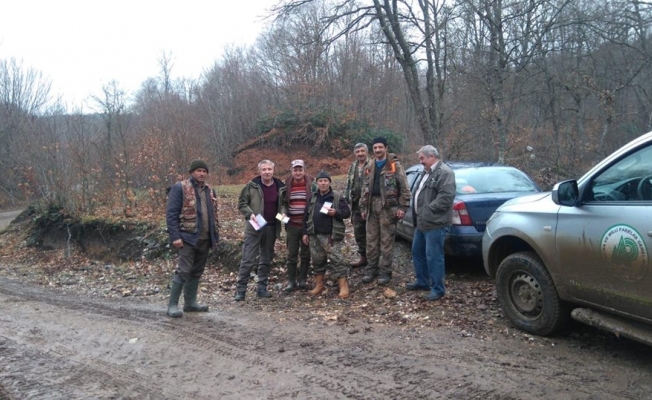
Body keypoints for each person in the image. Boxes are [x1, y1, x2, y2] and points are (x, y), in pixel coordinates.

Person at [165, 159, 220, 318]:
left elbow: (214, 216)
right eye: (198, 171)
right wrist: (175, 236)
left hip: (204, 238)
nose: (202, 174)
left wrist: (214, 237)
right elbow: (171, 214)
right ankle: (172, 305)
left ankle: (190, 303)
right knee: (183, 270)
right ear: (191, 172)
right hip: (187, 237)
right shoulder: (180, 188)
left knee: (197, 271)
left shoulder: (210, 191)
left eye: (204, 171)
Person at [406, 145, 455, 301]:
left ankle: (438, 289)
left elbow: (446, 198)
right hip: (422, 222)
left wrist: (427, 210)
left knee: (434, 256)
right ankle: (423, 281)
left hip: (435, 222)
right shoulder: (425, 172)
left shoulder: (445, 173)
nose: (421, 161)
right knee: (417, 252)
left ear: (432, 156)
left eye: (422, 158)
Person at [359, 137, 410, 285]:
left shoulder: (394, 165)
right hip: (371, 206)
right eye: (375, 148)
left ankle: (385, 272)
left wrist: (403, 207)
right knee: (371, 241)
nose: (377, 150)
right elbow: (364, 188)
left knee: (386, 242)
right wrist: (363, 207)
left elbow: (405, 188)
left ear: (386, 148)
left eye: (380, 147)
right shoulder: (369, 165)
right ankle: (371, 269)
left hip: (388, 208)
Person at [234, 160, 285, 301]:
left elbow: (284, 205)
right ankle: (241, 290)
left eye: (269, 169)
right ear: (259, 171)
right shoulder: (251, 186)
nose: (267, 172)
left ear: (274, 170)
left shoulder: (280, 187)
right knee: (248, 259)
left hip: (271, 227)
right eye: (264, 169)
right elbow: (242, 203)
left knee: (266, 259)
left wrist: (283, 215)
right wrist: (249, 214)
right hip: (254, 226)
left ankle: (262, 288)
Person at [302, 170, 352, 298]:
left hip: (331, 235)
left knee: (337, 259)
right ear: (317, 183)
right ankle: (319, 285)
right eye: (320, 181)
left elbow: (347, 213)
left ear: (329, 182)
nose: (323, 183)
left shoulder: (336, 196)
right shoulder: (312, 197)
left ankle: (343, 286)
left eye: (325, 181)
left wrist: (336, 212)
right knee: (318, 260)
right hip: (314, 235)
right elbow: (305, 216)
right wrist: (305, 233)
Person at [280, 159, 315, 292]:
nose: (298, 172)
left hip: (307, 226)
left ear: (304, 170)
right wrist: (283, 214)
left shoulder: (312, 184)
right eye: (295, 169)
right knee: (292, 255)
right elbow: (283, 203)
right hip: (292, 225)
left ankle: (302, 279)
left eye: (300, 169)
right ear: (292, 171)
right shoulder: (286, 185)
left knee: (306, 254)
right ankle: (291, 281)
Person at [344, 143, 371, 268]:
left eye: (362, 151)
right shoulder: (353, 166)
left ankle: (374, 261)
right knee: (358, 232)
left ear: (366, 151)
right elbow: (348, 184)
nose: (360, 153)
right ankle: (363, 257)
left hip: (370, 205)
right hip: (355, 205)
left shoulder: (373, 164)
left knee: (372, 233)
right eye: (357, 151)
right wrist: (346, 199)